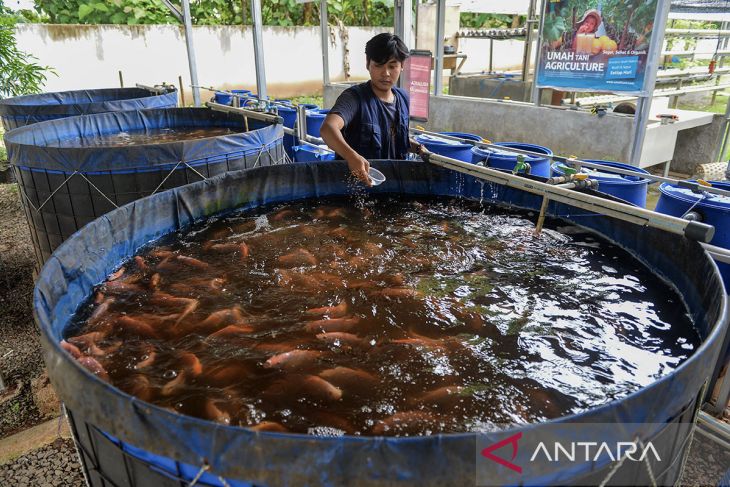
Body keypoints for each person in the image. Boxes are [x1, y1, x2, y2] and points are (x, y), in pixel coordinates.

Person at [320, 33, 424, 186]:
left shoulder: (403, 98)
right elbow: (328, 128)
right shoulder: (354, 98)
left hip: (393, 185)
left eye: (392, 66)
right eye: (378, 65)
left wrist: (419, 149)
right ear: (368, 64)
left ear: (402, 66)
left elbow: (393, 137)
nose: (386, 73)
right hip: (356, 187)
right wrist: (351, 157)